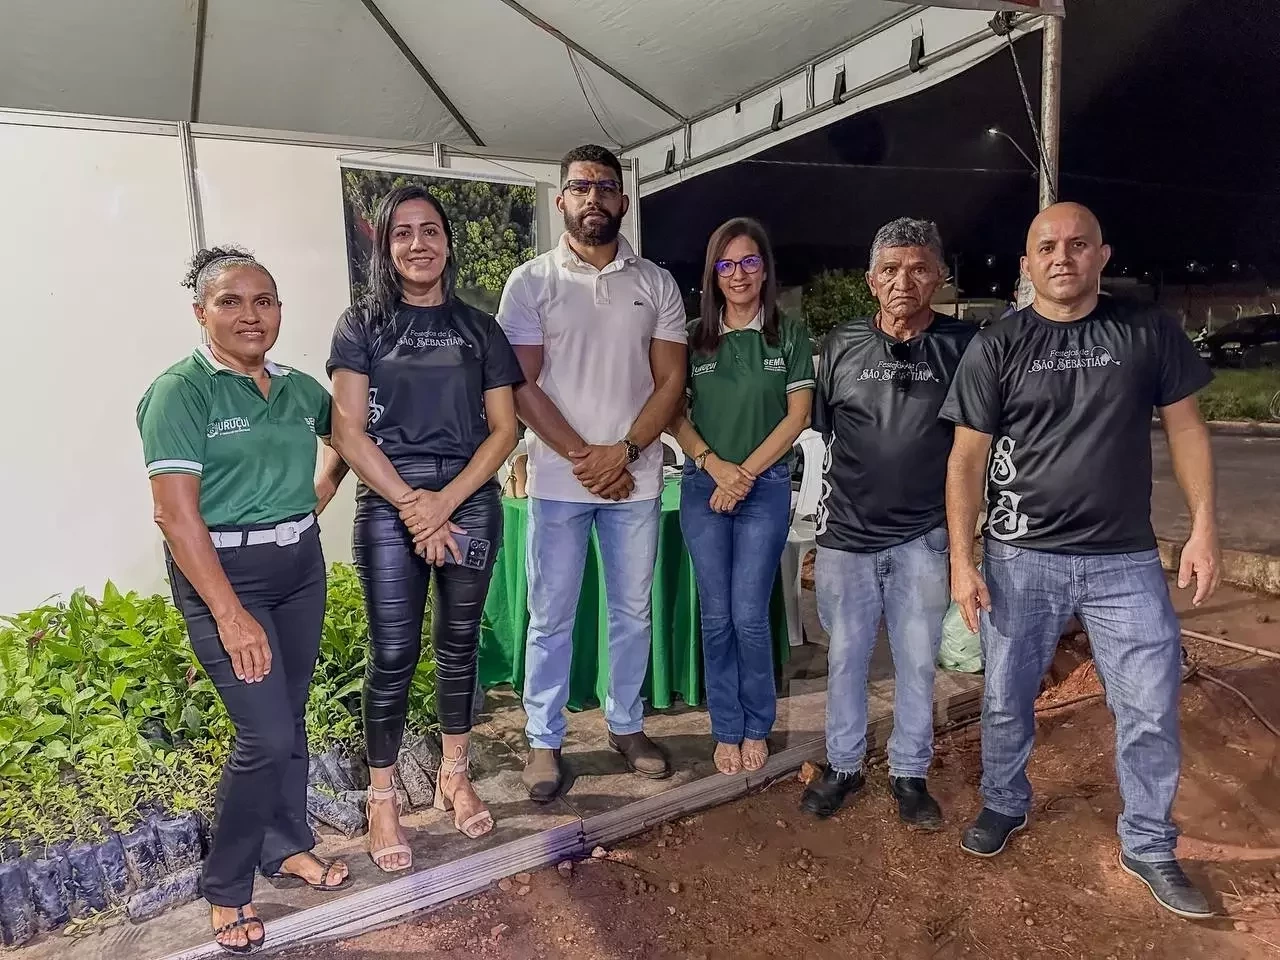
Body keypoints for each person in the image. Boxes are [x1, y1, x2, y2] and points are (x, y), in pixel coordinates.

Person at [942, 202, 1220, 919]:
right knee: (1005, 700)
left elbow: (1187, 430)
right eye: (1046, 247)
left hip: (1123, 561)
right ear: (1027, 264)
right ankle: (1005, 803)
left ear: (1102, 254)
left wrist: (1203, 529)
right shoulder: (997, 344)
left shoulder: (1146, 330)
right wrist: (962, 561)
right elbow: (966, 460)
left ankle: (1150, 844)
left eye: (1077, 244)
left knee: (1150, 705)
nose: (1062, 256)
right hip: (1019, 557)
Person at [137, 246, 351, 954]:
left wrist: (310, 503)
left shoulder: (295, 389)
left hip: (299, 568)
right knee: (264, 737)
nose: (250, 315)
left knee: (289, 716)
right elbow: (174, 515)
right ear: (201, 312)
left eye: (264, 300)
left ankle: (285, 845)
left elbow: (347, 439)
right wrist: (229, 614)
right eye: (231, 301)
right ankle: (226, 888)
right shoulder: (182, 391)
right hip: (226, 579)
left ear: (280, 311)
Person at [327, 185, 524, 869]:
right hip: (388, 501)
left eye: (431, 230)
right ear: (385, 245)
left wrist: (446, 502)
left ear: (448, 241)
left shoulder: (481, 330)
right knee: (392, 655)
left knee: (460, 647)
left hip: (468, 498)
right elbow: (348, 433)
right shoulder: (361, 326)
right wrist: (415, 503)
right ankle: (383, 801)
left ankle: (454, 776)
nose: (419, 243)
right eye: (403, 232)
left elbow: (505, 431)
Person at [497, 144, 687, 800]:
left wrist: (625, 453)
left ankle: (626, 725)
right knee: (551, 614)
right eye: (580, 186)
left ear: (623, 200)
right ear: (560, 200)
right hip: (556, 481)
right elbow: (520, 383)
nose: (593, 197)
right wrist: (585, 457)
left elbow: (671, 383)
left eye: (605, 186)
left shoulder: (656, 282)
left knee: (631, 611)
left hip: (636, 477)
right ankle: (544, 739)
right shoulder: (530, 282)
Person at [799, 219, 976, 827]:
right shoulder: (839, 345)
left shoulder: (966, 346)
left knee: (918, 659)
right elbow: (821, 442)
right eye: (892, 270)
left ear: (940, 277)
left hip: (925, 536)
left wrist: (963, 546)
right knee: (846, 656)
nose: (906, 281)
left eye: (920, 268)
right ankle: (844, 765)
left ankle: (909, 774)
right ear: (872, 280)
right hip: (847, 537)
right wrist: (815, 531)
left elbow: (977, 446)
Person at [668, 217, 813, 775]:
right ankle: (725, 727)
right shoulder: (691, 335)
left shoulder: (788, 333)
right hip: (704, 487)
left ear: (765, 268)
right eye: (726, 264)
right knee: (716, 615)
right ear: (713, 273)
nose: (738, 274)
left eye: (749, 261)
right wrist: (714, 465)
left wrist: (744, 475)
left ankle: (759, 723)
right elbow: (673, 414)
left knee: (751, 615)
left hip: (765, 487)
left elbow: (796, 416)